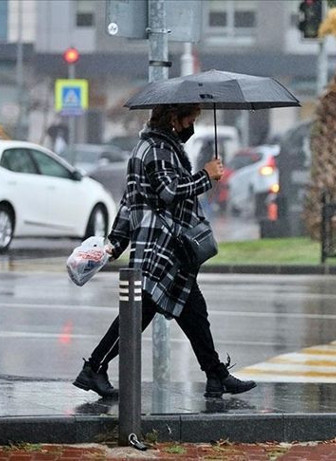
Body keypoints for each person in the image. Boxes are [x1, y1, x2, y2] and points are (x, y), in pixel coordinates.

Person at [72, 104, 256, 399]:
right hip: (160, 250)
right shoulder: (156, 149)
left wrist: (116, 241)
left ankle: (215, 375)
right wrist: (205, 176)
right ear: (174, 119)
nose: (192, 125)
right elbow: (168, 192)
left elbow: (130, 201)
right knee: (136, 318)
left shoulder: (154, 147)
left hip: (167, 251)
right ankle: (94, 367)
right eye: (190, 119)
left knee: (194, 312)